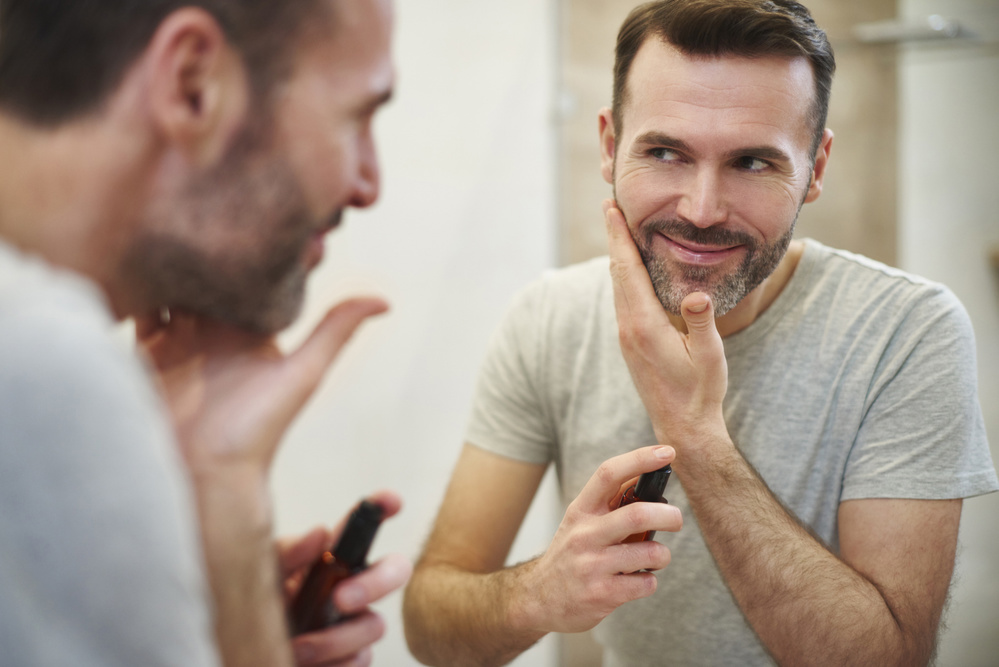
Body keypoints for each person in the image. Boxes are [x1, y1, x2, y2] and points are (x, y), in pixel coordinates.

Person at [402, 1, 999, 665]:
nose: (702, 210)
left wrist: (692, 434)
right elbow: (430, 626)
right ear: (609, 146)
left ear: (816, 168)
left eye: (752, 163)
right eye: (665, 152)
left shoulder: (906, 332)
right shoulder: (548, 317)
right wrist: (537, 593)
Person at [0, 1, 411, 665]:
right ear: (192, 83)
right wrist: (227, 499)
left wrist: (214, 596)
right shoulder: (44, 367)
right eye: (357, 116)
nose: (369, 184)